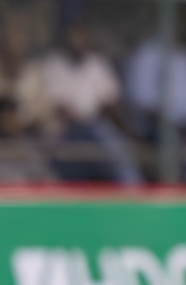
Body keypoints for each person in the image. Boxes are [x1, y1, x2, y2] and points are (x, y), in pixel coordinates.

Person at [41, 23, 141, 185]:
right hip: (66, 131)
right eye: (75, 38)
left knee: (111, 139)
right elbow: (59, 107)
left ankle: (134, 194)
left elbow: (112, 101)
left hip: (95, 129)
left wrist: (106, 112)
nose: (79, 42)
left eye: (82, 37)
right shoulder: (55, 64)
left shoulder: (97, 63)